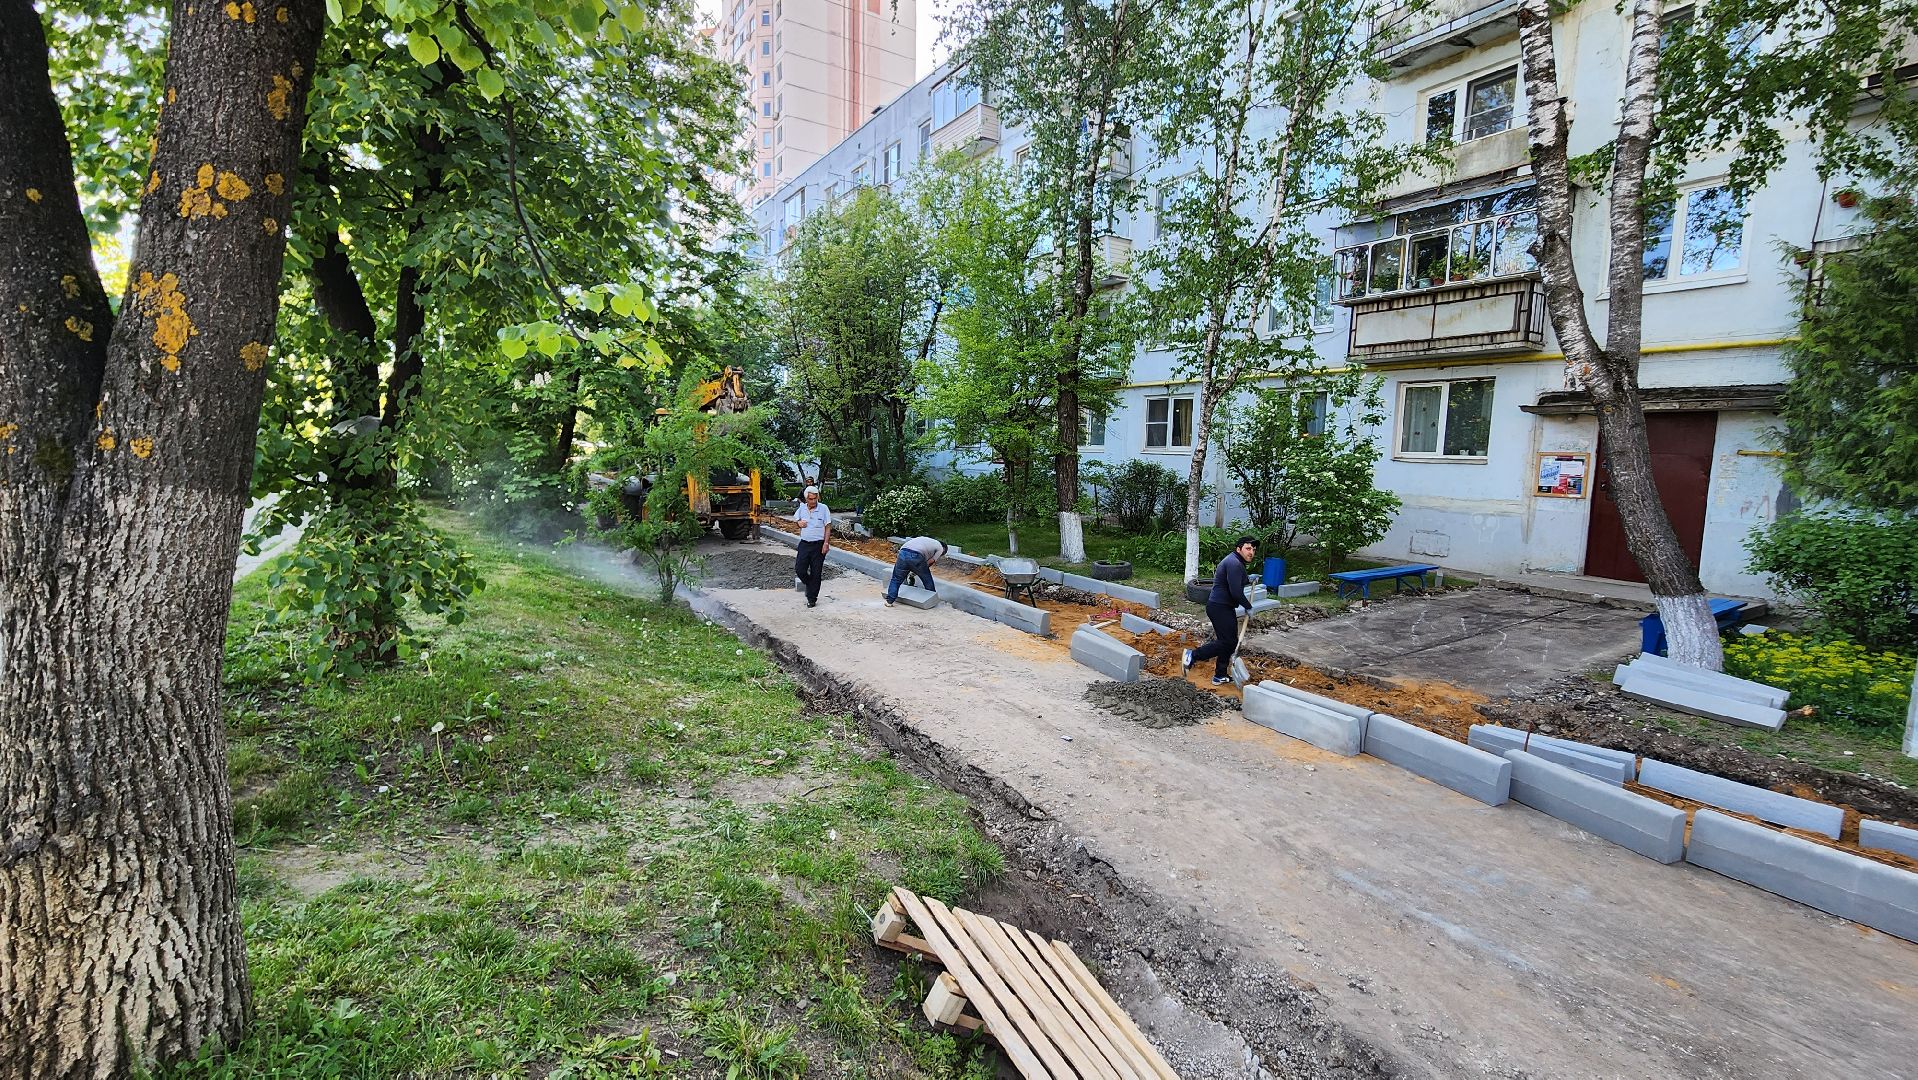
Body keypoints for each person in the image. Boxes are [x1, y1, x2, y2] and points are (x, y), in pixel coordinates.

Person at [1185, 535, 1259, 685]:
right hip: (1220, 607)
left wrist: (1248, 579)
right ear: (1239, 549)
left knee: (1229, 642)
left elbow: (1234, 579)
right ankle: (1192, 655)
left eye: (1253, 549)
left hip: (1222, 606)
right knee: (1228, 642)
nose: (1251, 552)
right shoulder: (1234, 563)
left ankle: (1220, 675)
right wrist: (1248, 606)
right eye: (1248, 548)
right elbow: (1235, 592)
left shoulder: (1235, 561)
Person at [791, 486, 831, 608]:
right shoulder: (802, 508)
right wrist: (799, 523)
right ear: (806, 499)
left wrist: (826, 543)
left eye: (815, 499)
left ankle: (812, 598)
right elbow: (795, 521)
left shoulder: (823, 508)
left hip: (818, 545)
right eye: (810, 499)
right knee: (800, 569)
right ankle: (810, 584)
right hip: (804, 543)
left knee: (816, 572)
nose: (813, 501)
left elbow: (828, 526)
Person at [885, 535, 946, 606]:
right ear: (944, 549)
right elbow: (931, 561)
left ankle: (889, 601)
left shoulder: (925, 540)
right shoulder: (940, 548)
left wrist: (913, 570)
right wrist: (920, 570)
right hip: (916, 555)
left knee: (896, 579)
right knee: (927, 579)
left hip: (902, 552)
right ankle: (932, 600)